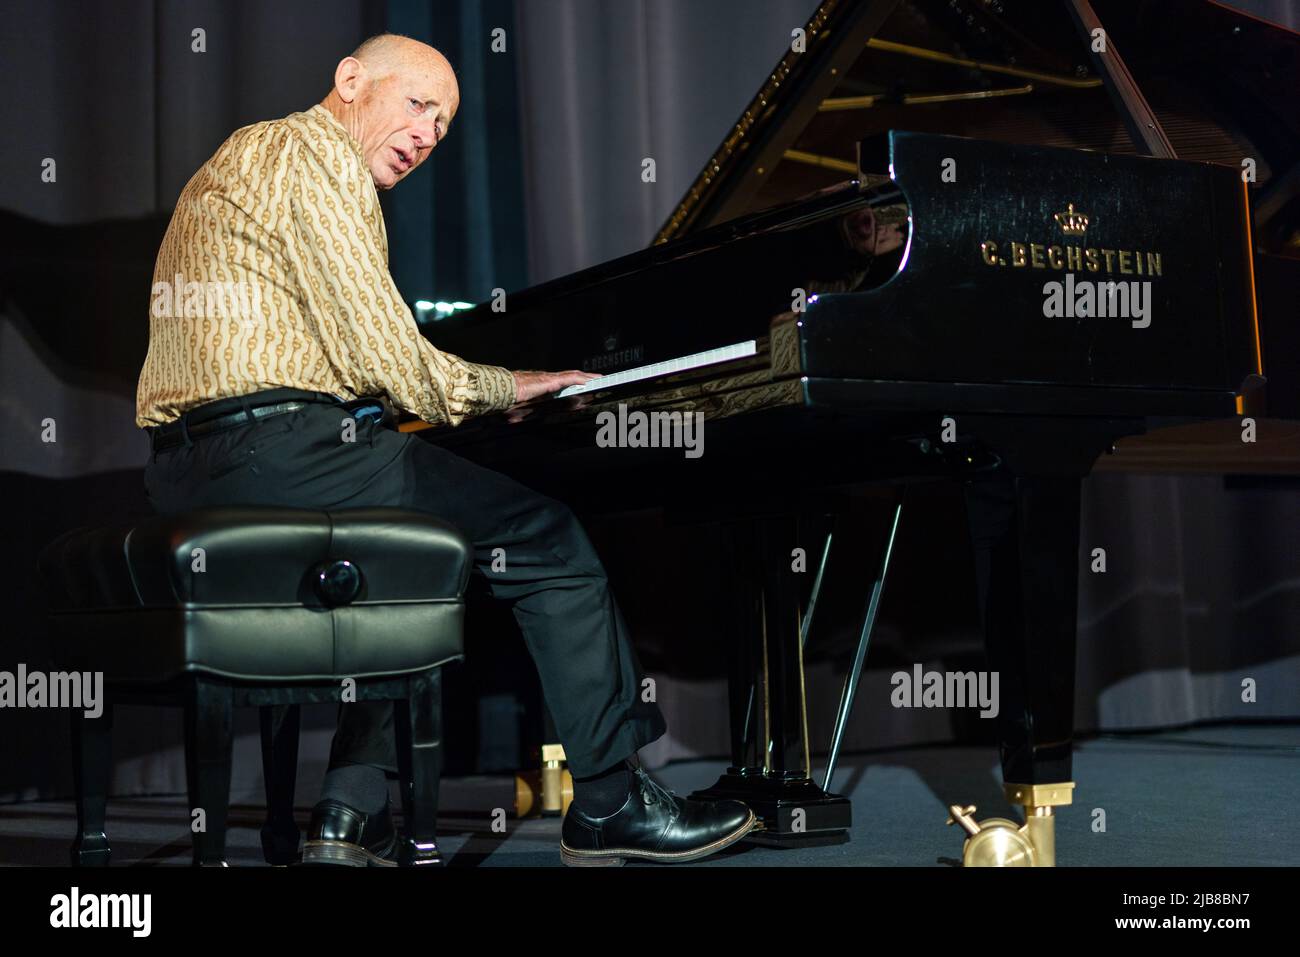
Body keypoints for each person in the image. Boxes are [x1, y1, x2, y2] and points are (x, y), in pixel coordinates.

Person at [136, 33, 754, 866]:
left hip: (184, 471)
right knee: (550, 540)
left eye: (446, 124)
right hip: (283, 450)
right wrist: (508, 385)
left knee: (412, 571)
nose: (429, 133)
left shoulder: (241, 159)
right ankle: (609, 801)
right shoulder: (314, 157)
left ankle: (348, 814)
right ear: (350, 79)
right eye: (419, 104)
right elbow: (392, 365)